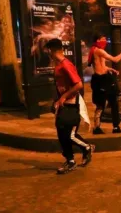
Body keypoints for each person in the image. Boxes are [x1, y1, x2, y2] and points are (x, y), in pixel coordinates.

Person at [45, 38, 94, 175]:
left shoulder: (66, 65)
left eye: (48, 50)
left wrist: (63, 97)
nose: (47, 53)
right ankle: (70, 161)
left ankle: (87, 147)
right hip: (63, 105)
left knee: (69, 135)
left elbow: (78, 85)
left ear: (52, 50)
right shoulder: (58, 65)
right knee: (61, 135)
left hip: (72, 104)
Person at [87, 33, 121, 134]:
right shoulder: (98, 51)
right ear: (97, 40)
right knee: (103, 104)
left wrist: (110, 69)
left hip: (102, 79)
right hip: (101, 81)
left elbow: (100, 66)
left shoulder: (95, 50)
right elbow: (115, 59)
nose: (105, 41)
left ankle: (106, 127)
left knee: (110, 103)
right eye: (103, 39)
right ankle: (102, 127)